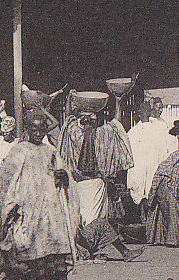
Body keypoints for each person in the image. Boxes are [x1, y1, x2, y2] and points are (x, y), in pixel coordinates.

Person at [0, 112, 79, 280]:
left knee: (45, 254)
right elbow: (6, 180)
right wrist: (5, 207)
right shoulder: (19, 150)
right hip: (24, 210)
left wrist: (64, 177)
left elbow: (64, 175)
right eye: (33, 128)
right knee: (20, 251)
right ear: (26, 129)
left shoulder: (50, 151)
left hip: (48, 212)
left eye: (41, 129)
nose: (38, 132)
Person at [58, 94, 142, 261]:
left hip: (77, 184)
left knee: (83, 218)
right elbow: (116, 123)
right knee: (96, 221)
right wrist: (117, 101)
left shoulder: (74, 134)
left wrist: (69, 101)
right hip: (94, 185)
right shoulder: (102, 135)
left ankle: (88, 248)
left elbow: (67, 120)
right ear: (95, 121)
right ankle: (100, 250)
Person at [127, 101, 176, 218]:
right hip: (141, 173)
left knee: (151, 204)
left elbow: (165, 151)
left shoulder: (158, 129)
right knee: (144, 202)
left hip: (150, 172)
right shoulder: (133, 132)